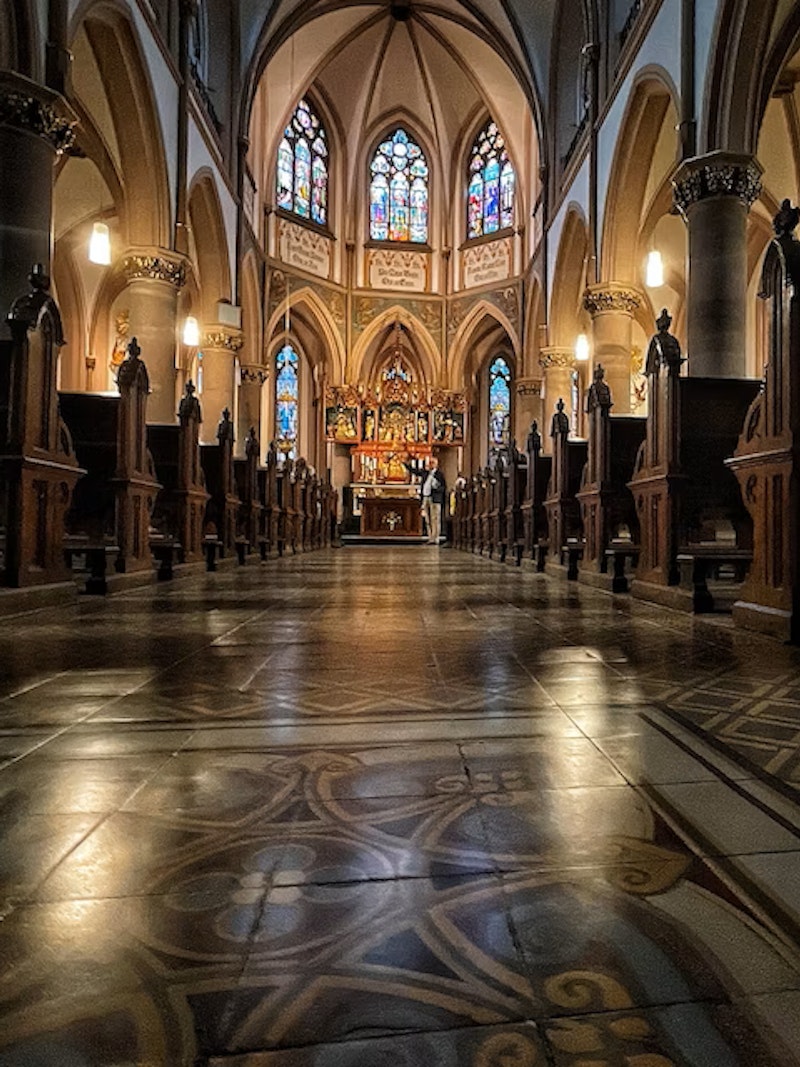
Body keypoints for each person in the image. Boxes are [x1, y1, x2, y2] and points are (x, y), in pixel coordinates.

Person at [405, 454, 446, 544]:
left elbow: (443, 488)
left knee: (435, 518)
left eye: (432, 463)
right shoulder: (425, 473)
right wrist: (406, 464)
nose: (430, 465)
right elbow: (415, 471)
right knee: (427, 518)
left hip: (435, 498)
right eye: (430, 463)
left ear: (436, 464)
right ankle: (430, 537)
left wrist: (436, 487)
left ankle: (436, 537)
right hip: (426, 498)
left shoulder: (439, 474)